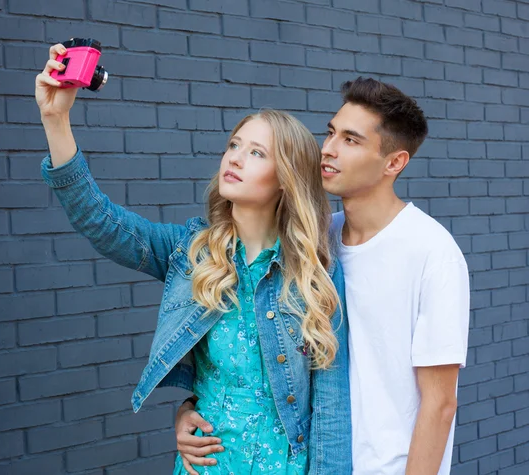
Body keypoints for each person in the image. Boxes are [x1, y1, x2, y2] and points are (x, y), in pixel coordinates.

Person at [35, 43, 352, 474]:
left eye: (257, 153)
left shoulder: (316, 274)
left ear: (286, 179)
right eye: (234, 145)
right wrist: (56, 119)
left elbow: (331, 412)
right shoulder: (193, 253)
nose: (235, 158)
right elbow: (101, 222)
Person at [176, 77, 470, 475]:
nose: (327, 150)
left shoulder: (432, 252)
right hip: (314, 462)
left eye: (351, 140)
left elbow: (440, 404)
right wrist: (191, 407)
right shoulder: (314, 242)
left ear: (394, 162)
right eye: (330, 133)